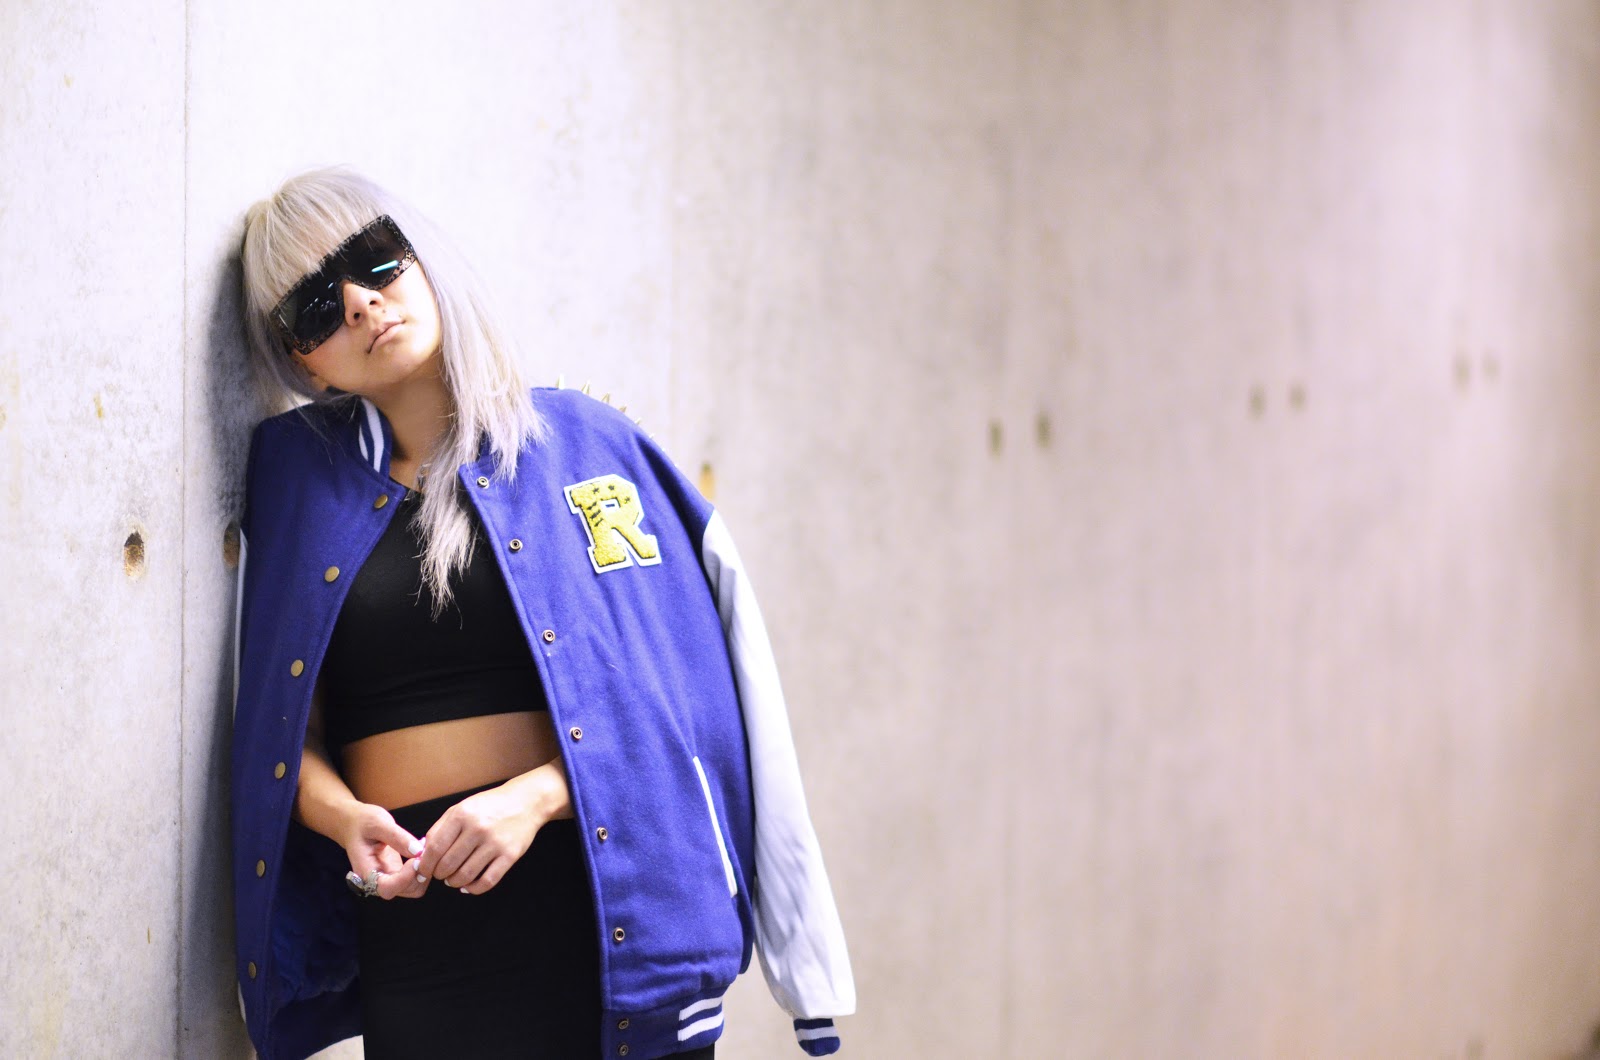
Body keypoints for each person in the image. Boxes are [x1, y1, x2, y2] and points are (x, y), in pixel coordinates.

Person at [229, 167, 855, 1060]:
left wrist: (535, 798)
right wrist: (344, 821)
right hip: (420, 942)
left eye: (375, 260)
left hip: (602, 914)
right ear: (302, 360)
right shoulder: (295, 486)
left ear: (421, 257)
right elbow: (283, 731)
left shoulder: (587, 448)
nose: (362, 304)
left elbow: (695, 703)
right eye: (316, 306)